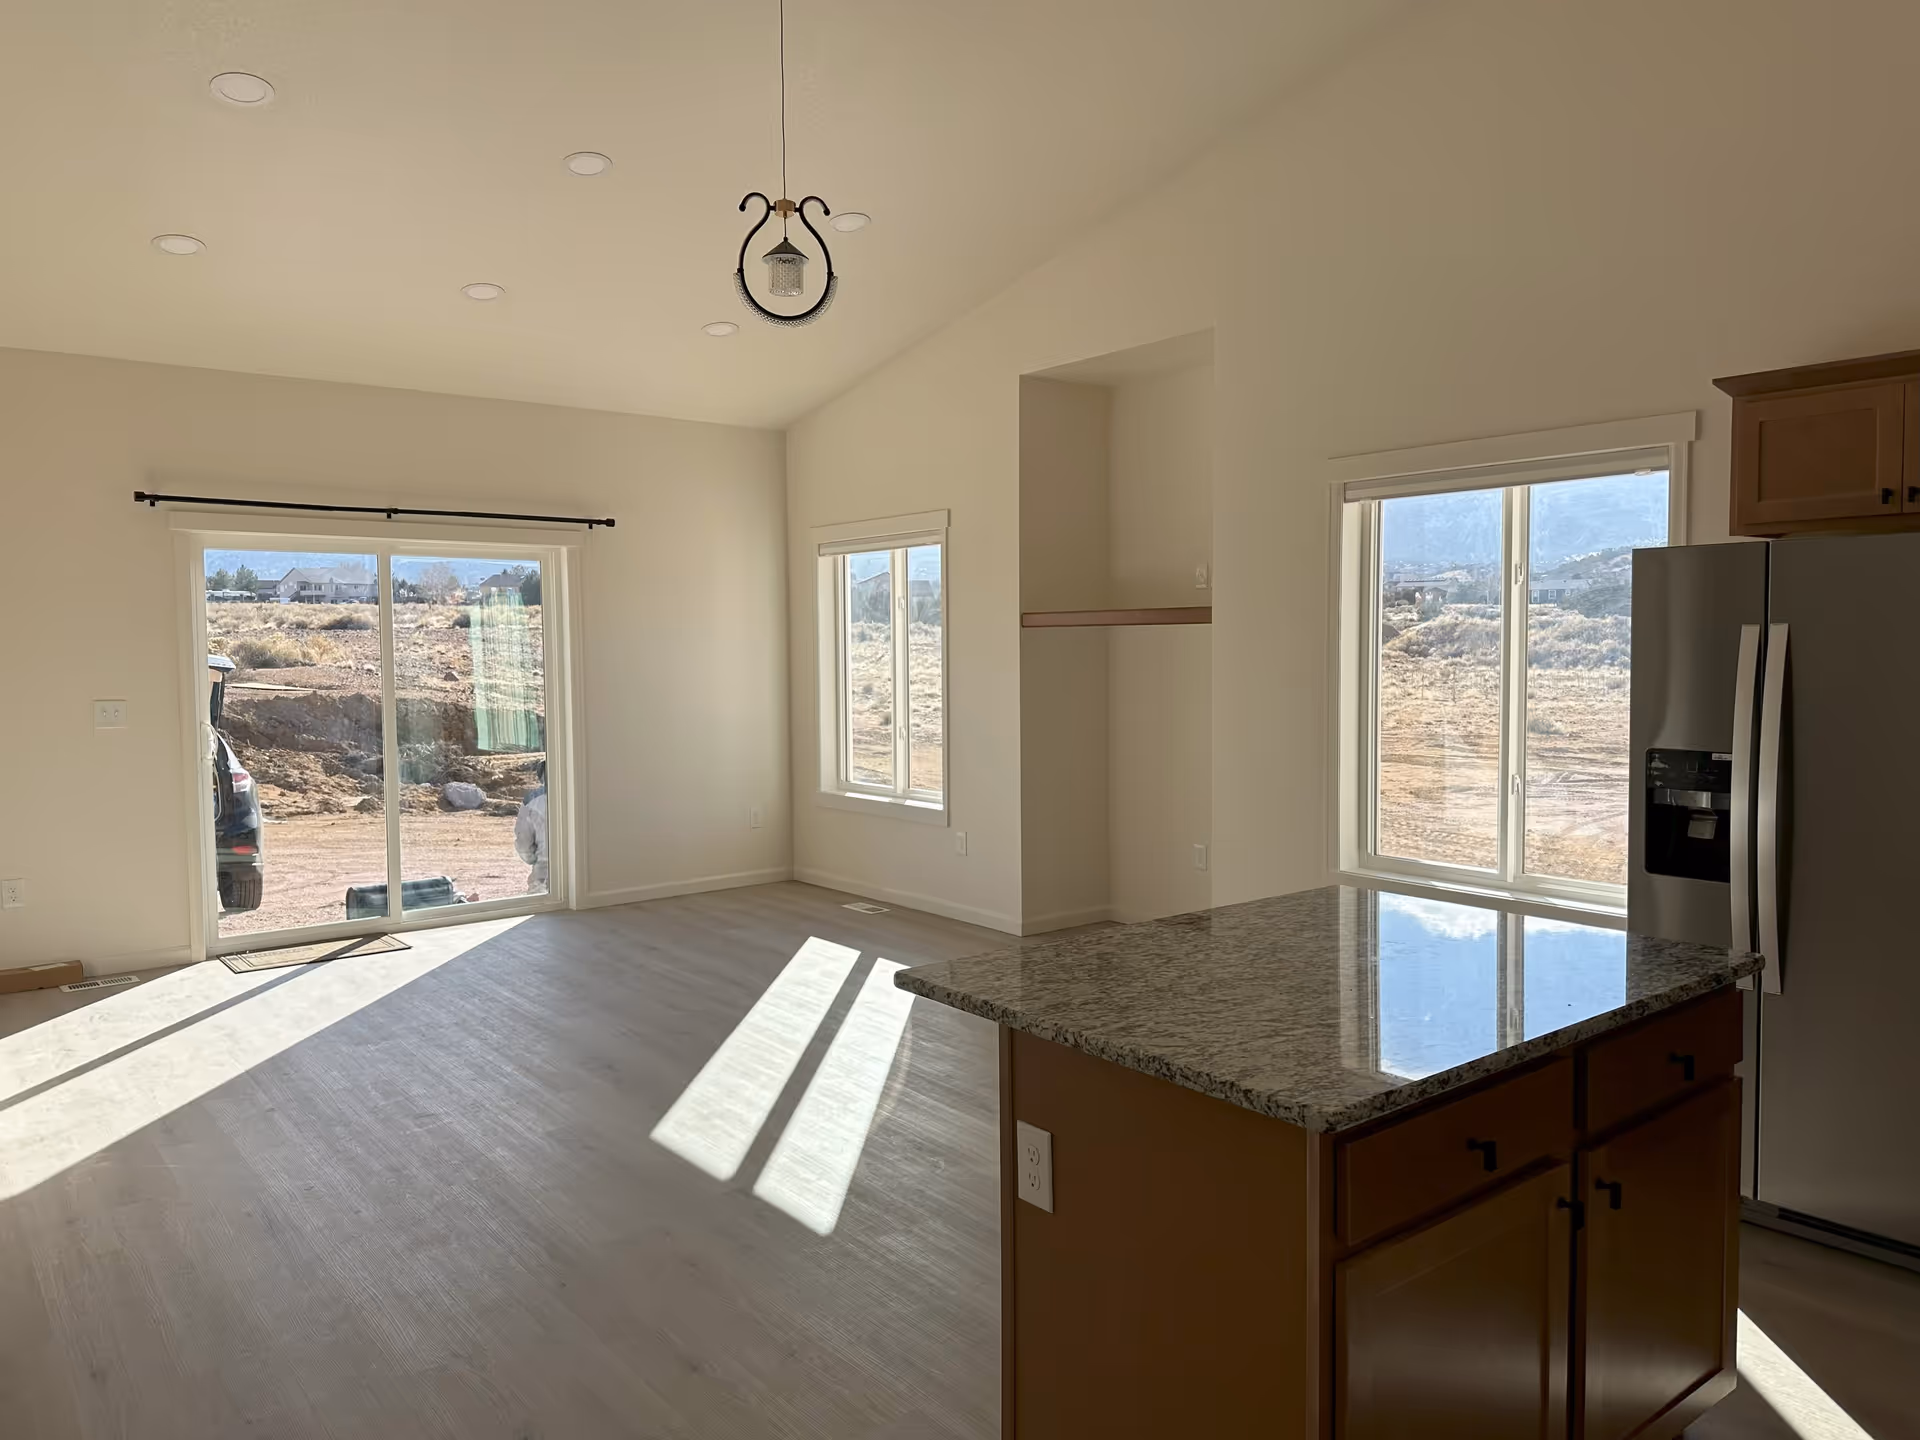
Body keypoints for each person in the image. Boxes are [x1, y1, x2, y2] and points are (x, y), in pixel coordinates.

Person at [514, 760, 549, 893]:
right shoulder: (584, 795)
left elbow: (523, 843)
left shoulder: (532, 801)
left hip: (544, 874)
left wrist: (534, 860)